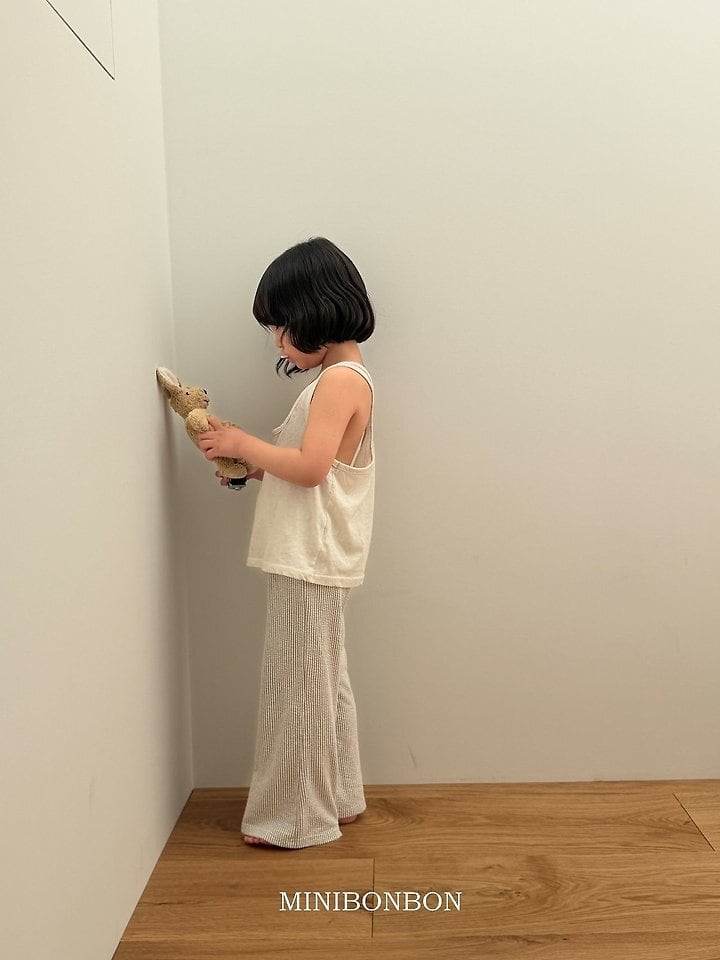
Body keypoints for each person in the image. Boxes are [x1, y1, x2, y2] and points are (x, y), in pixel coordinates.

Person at [197, 237, 376, 849]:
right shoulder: (341, 379)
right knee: (321, 678)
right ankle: (338, 796)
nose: (277, 342)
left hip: (309, 555)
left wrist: (244, 445)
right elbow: (306, 467)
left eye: (281, 326)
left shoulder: (339, 382)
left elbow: (311, 470)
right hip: (315, 552)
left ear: (315, 311)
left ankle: (296, 819)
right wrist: (247, 462)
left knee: (297, 685)